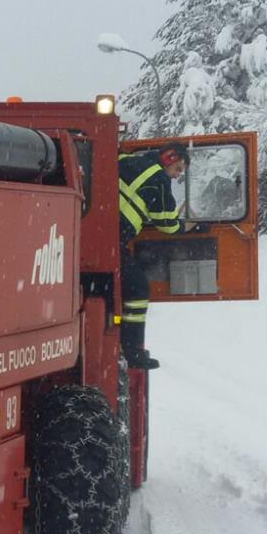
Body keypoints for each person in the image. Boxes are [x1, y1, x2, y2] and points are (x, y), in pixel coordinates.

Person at [118, 141, 189, 370]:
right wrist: (187, 227)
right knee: (138, 289)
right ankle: (131, 350)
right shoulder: (159, 180)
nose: (177, 175)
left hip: (91, 230)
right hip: (112, 242)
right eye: (178, 169)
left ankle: (119, 335)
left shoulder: (128, 160)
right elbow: (167, 224)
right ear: (169, 158)